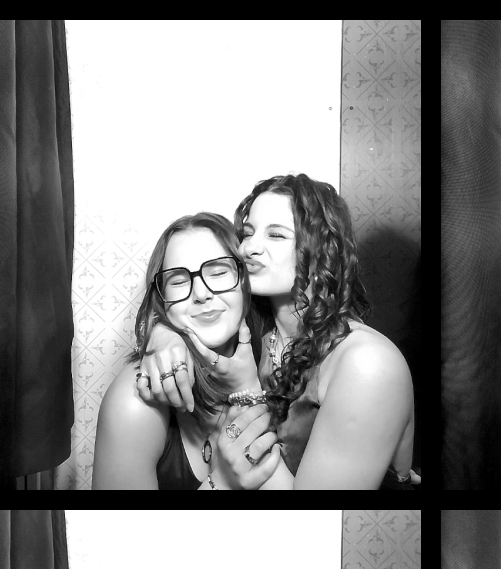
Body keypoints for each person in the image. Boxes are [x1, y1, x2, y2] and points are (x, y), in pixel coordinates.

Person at [137, 174, 418, 490]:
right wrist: (164, 336)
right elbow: (182, 298)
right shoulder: (255, 333)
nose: (249, 248)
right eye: (247, 233)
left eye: (276, 235)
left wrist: (245, 389)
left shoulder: (367, 363)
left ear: (322, 251)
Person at [92, 212, 282, 490]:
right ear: (162, 301)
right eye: (179, 281)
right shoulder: (134, 403)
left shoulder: (279, 362)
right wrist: (223, 483)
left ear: (245, 281)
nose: (201, 293)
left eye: (218, 272)